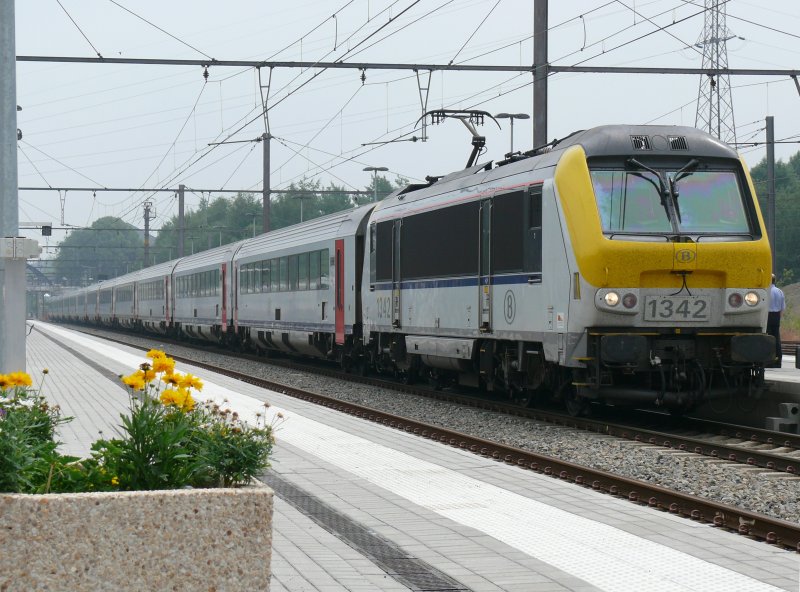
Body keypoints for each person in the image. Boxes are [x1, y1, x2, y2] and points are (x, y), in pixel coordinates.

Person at [767, 275, 786, 368]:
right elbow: (782, 308)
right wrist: (778, 318)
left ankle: (768, 361)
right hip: (776, 316)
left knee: (767, 339)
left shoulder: (766, 291)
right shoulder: (780, 291)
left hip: (767, 316)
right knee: (776, 339)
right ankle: (778, 361)